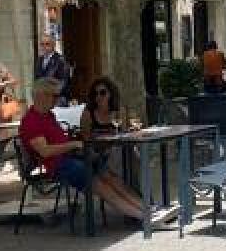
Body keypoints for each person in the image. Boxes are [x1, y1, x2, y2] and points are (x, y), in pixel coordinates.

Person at [75, 77, 176, 223]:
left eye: (102, 93)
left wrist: (132, 130)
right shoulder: (88, 113)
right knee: (131, 159)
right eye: (95, 94)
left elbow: (124, 134)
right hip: (100, 155)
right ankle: (146, 204)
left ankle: (141, 208)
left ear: (110, 93)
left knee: (129, 156)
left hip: (118, 152)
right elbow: (86, 140)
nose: (98, 97)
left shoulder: (118, 111)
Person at [34, 34, 70, 104]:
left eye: (47, 44)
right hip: (42, 98)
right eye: (42, 44)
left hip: (56, 98)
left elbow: (64, 82)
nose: (44, 47)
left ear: (53, 45)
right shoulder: (39, 60)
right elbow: (37, 79)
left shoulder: (60, 60)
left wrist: (51, 94)